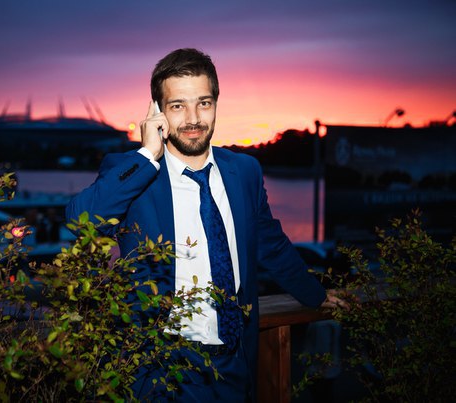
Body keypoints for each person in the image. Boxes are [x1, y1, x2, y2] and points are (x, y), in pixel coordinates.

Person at [65, 48, 346, 402]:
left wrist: (316, 295)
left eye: (204, 103)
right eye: (178, 105)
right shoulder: (134, 172)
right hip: (162, 367)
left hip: (234, 362)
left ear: (216, 104)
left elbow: (270, 245)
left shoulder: (244, 171)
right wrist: (148, 154)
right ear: (157, 111)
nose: (194, 118)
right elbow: (81, 222)